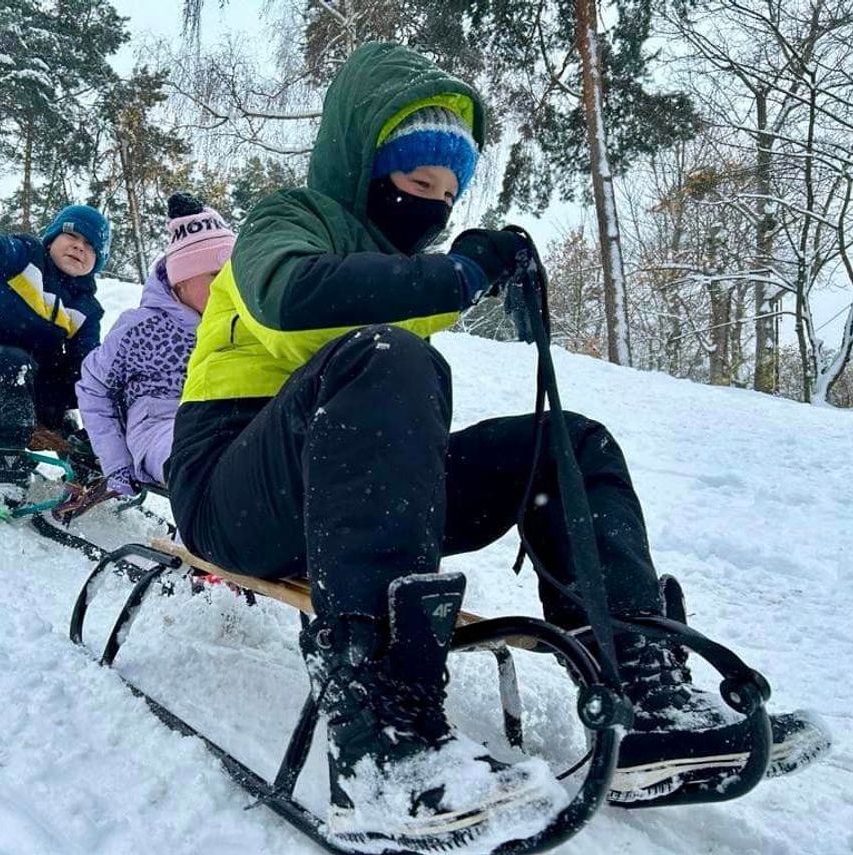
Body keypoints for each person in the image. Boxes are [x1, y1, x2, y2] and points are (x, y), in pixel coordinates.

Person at [166, 42, 810, 849]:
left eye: (447, 192)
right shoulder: (286, 221)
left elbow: (408, 314)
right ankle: (379, 734)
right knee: (391, 357)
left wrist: (495, 274)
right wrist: (461, 277)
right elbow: (295, 296)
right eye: (415, 182)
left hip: (360, 499)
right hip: (232, 488)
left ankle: (641, 681)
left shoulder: (406, 267)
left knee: (567, 443)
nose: (433, 207)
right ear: (363, 161)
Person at [0, 137, 109, 519]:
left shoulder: (87, 309)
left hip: (29, 380)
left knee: (102, 384)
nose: (79, 247)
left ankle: (89, 460)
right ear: (53, 237)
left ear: (97, 262)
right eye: (72, 235)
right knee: (13, 364)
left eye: (90, 246)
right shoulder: (23, 257)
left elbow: (86, 367)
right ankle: (6, 471)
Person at [75, 192, 235, 504]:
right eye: (216, 276)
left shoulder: (240, 323)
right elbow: (94, 386)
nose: (228, 286)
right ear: (181, 283)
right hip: (160, 424)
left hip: (229, 418)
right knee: (204, 460)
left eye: (233, 276)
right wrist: (117, 463)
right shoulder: (141, 329)